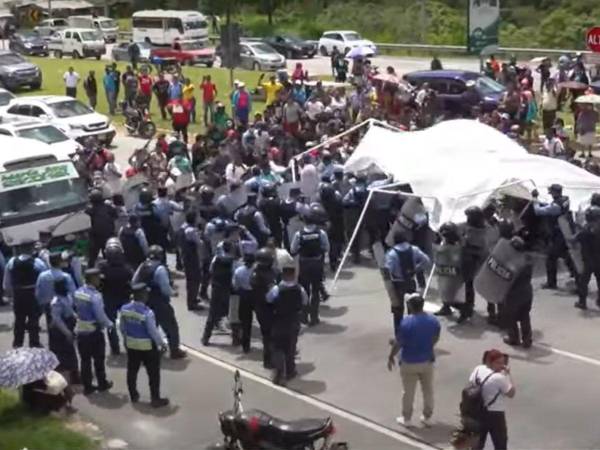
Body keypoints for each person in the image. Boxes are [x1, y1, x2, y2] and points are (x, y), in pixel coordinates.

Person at [387, 294, 440, 428]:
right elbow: (435, 337)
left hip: (409, 362)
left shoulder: (406, 322)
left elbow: (399, 343)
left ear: (410, 306)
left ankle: (407, 419)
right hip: (427, 361)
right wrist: (428, 348)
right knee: (428, 390)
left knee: (408, 392)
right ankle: (427, 417)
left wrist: (391, 356)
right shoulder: (433, 321)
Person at [120, 283, 170, 408]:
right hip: (147, 347)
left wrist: (126, 339)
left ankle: (133, 395)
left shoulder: (124, 309)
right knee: (153, 374)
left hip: (131, 345)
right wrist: (162, 344)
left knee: (132, 371)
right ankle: (155, 399)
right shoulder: (147, 313)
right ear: (142, 295)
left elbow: (121, 327)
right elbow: (153, 332)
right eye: (146, 293)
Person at [133, 245, 187, 359]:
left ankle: (151, 351)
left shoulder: (143, 265)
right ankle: (174, 351)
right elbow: (165, 289)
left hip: (145, 302)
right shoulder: (160, 269)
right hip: (160, 303)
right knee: (171, 327)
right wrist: (174, 293)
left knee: (151, 327)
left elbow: (134, 282)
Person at [267, 254, 308, 385]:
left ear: (283, 275)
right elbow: (305, 301)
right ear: (293, 274)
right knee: (290, 348)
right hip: (293, 322)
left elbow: (268, 299)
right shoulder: (299, 289)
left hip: (278, 321)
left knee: (278, 347)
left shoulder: (276, 289)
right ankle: (290, 372)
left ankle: (278, 371)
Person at [73, 268, 114, 396]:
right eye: (98, 278)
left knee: (85, 360)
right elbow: (100, 315)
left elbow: (74, 308)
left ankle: (88, 387)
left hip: (81, 330)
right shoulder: (95, 296)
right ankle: (102, 383)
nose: (99, 280)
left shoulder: (78, 292)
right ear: (93, 279)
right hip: (93, 331)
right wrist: (109, 324)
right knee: (98, 359)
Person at [383, 231, 431, 335]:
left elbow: (388, 270)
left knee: (398, 310)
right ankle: (413, 333)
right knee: (413, 309)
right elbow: (426, 260)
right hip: (411, 281)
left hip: (398, 284)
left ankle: (399, 335)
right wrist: (416, 269)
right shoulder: (414, 249)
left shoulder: (391, 253)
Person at [468, 350, 516, 450]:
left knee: (478, 442)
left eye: (503, 362)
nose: (502, 366)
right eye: (499, 363)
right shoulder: (499, 377)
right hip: (495, 414)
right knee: (500, 442)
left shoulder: (478, 369)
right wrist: (508, 375)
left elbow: (471, 383)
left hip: (477, 410)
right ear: (490, 362)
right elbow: (511, 393)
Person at [532, 184, 577, 290]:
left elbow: (538, 211)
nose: (551, 195)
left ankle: (551, 283)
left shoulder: (556, 206)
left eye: (552, 192)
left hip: (559, 234)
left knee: (551, 258)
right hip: (565, 232)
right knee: (566, 255)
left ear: (555, 193)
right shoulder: (565, 200)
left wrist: (534, 199)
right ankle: (577, 275)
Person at [291, 205, 330, 326]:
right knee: (316, 291)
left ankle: (304, 316)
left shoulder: (299, 234)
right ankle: (314, 317)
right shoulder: (321, 233)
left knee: (305, 290)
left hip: (304, 264)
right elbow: (327, 247)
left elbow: (293, 249)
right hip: (317, 263)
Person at [4, 241, 47, 348]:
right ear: (31, 248)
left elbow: (7, 282)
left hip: (18, 295)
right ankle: (34, 344)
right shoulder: (38, 262)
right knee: (34, 320)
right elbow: (44, 280)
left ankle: (17, 344)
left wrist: (10, 295)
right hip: (33, 294)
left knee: (19, 320)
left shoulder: (12, 261)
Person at [99, 243, 133, 355]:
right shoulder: (126, 269)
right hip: (124, 299)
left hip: (109, 299)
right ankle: (129, 346)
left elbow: (98, 283)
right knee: (128, 324)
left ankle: (115, 348)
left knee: (110, 325)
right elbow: (132, 282)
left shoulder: (102, 267)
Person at [502, 237, 534, 348]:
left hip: (514, 293)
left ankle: (514, 338)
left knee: (510, 316)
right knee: (525, 315)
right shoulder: (528, 259)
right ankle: (527, 339)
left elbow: (505, 277)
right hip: (527, 291)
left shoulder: (510, 262)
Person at [202, 240, 235, 346]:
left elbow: (211, 270)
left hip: (216, 288)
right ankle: (236, 338)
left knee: (212, 313)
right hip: (227, 289)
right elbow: (234, 276)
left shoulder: (216, 258)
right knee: (232, 313)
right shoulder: (232, 261)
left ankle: (205, 338)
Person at [35, 252, 76, 330]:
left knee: (52, 330)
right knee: (66, 328)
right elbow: (73, 293)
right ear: (60, 262)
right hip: (65, 306)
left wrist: (41, 304)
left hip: (48, 306)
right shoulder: (66, 276)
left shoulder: (42, 276)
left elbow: (38, 292)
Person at [49, 278, 79, 383]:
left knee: (70, 352)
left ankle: (74, 376)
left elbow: (71, 311)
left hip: (68, 325)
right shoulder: (56, 302)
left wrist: (76, 318)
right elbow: (57, 320)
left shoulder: (68, 297)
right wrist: (67, 332)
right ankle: (63, 379)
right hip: (60, 331)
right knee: (62, 355)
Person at [176, 211, 205, 311]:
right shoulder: (191, 230)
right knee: (194, 279)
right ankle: (192, 303)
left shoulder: (183, 227)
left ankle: (193, 298)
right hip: (192, 258)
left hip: (185, 255)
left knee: (191, 280)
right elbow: (200, 243)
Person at [574, 206, 600, 310]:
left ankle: (582, 302)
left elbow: (573, 240)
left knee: (583, 282)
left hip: (588, 261)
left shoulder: (584, 231)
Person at [86, 189, 117, 268]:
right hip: (108, 235)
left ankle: (89, 271)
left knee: (92, 257)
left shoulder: (90, 210)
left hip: (96, 237)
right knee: (108, 255)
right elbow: (115, 215)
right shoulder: (108, 207)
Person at [232, 250, 256, 353]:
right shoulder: (256, 271)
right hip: (255, 295)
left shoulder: (238, 271)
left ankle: (245, 346)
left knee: (245, 322)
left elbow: (235, 285)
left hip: (243, 296)